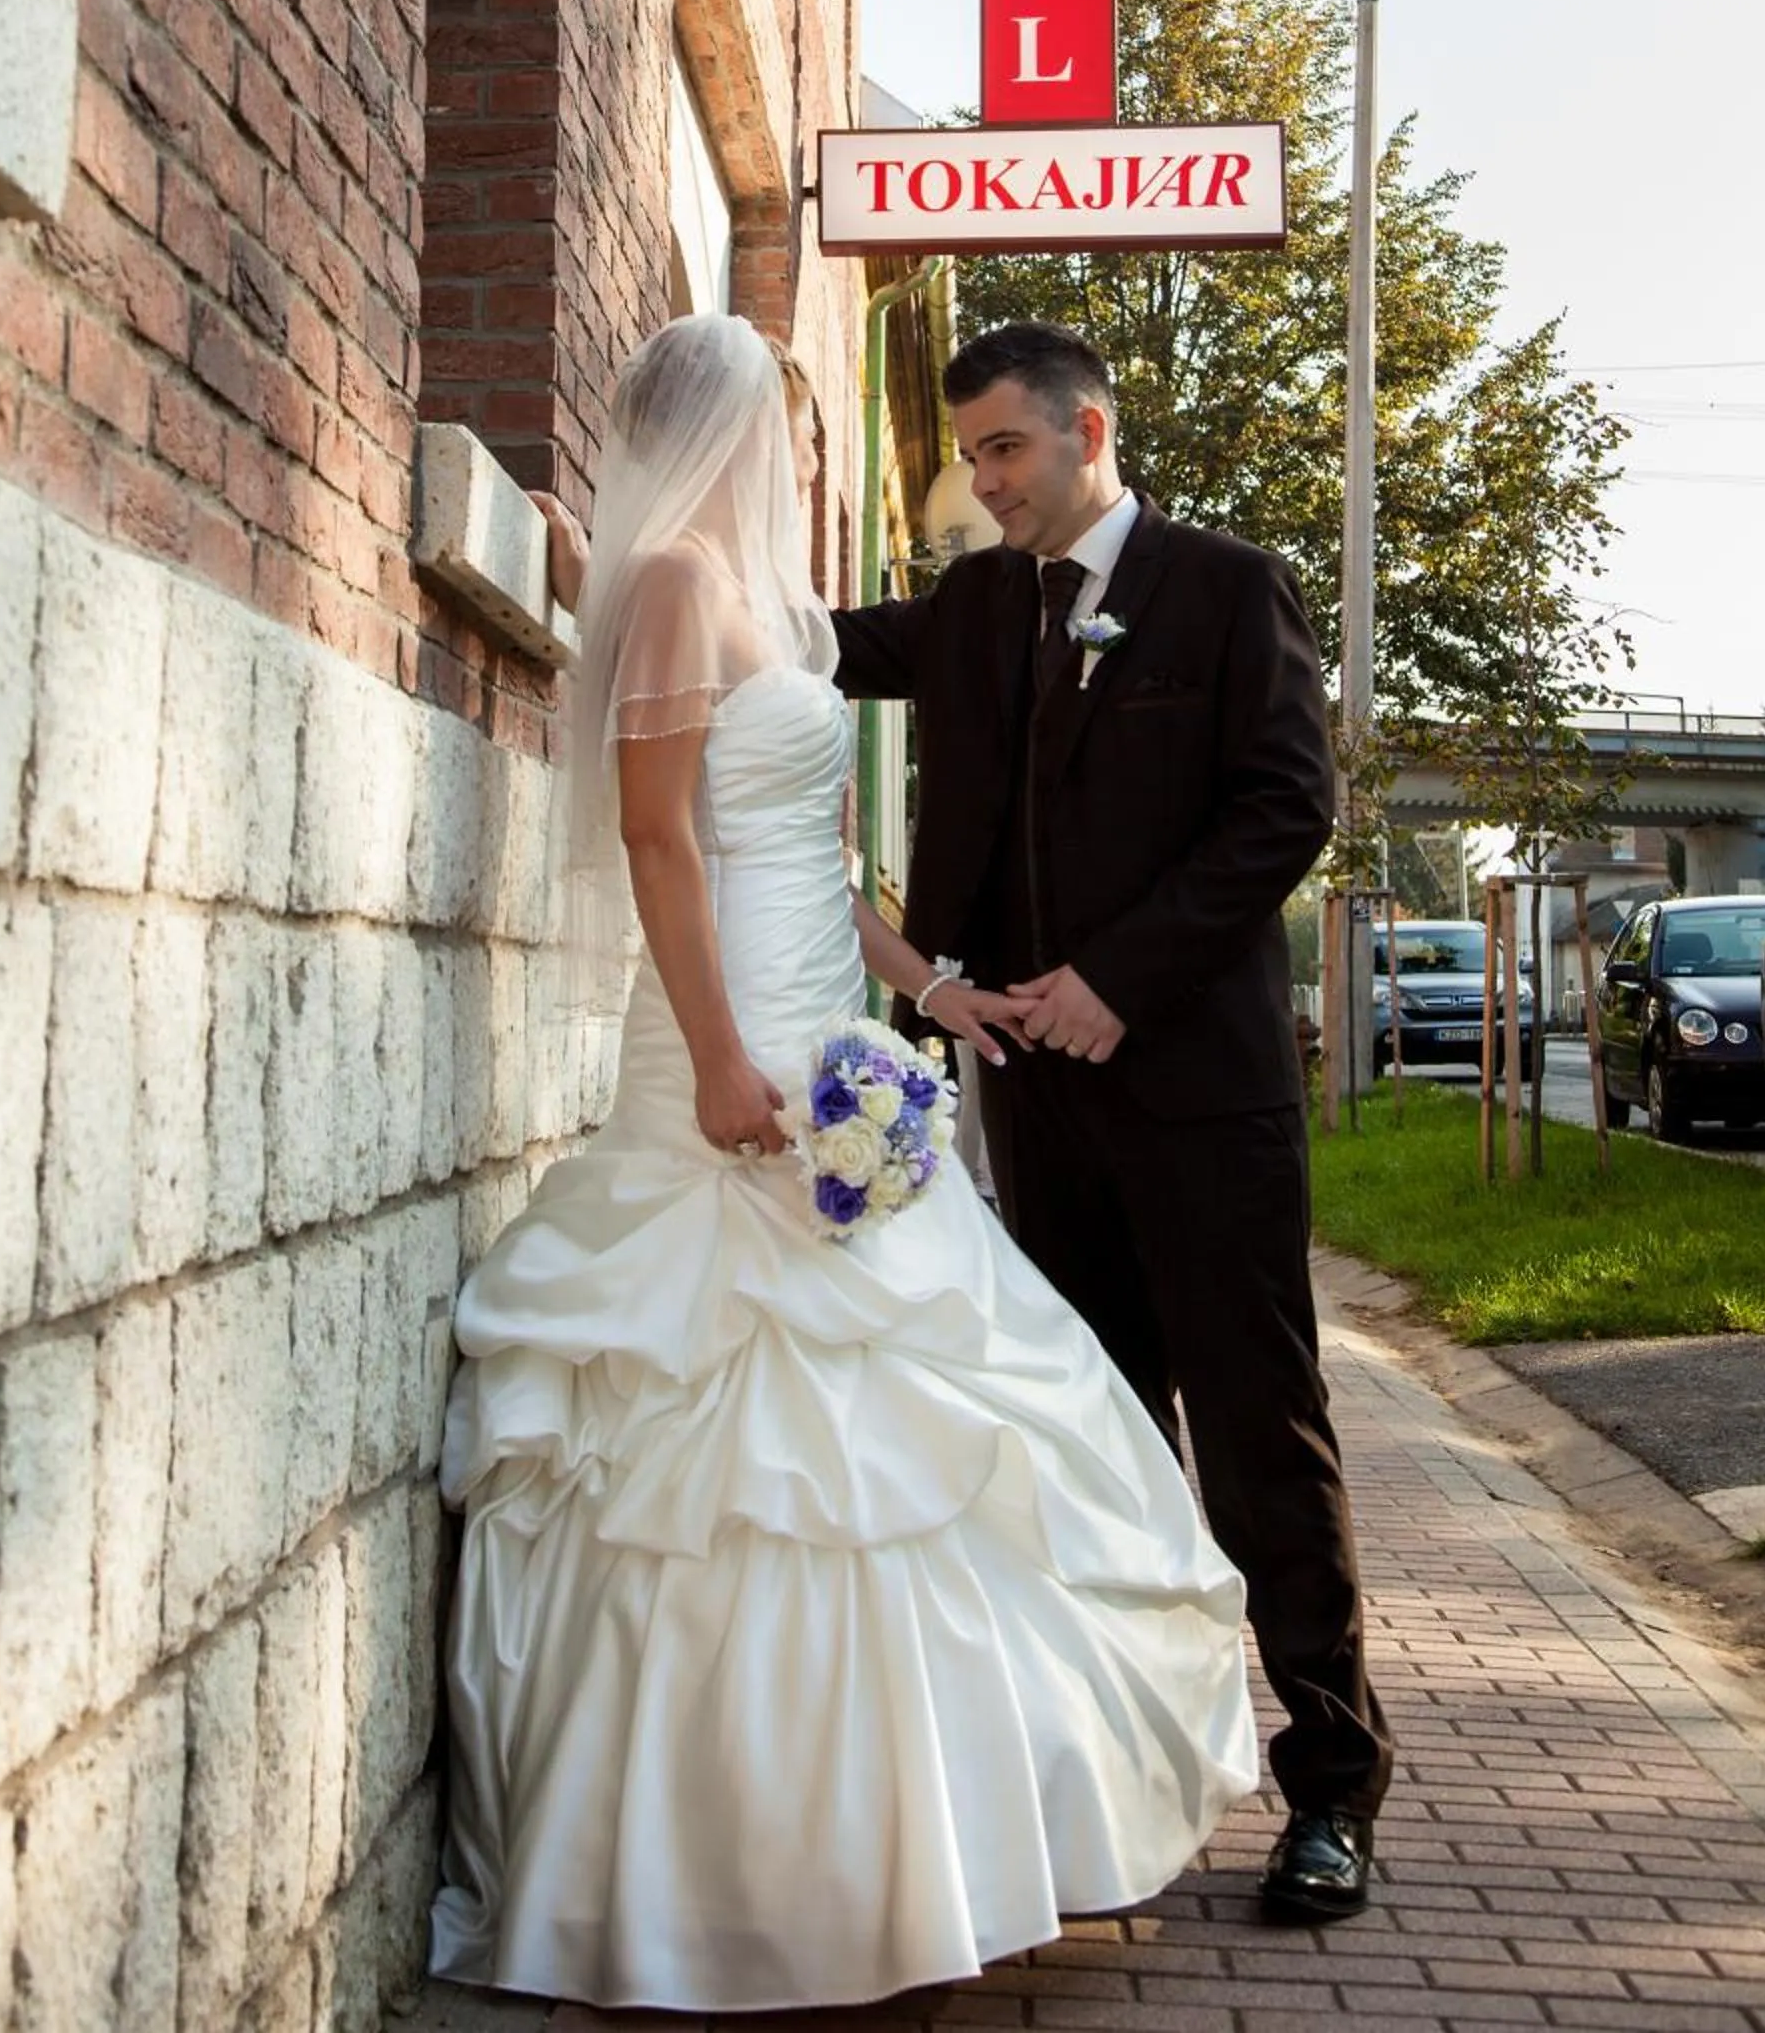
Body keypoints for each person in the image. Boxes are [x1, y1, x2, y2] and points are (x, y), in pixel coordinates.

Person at [433, 314, 1256, 2012]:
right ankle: (720, 1887)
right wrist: (725, 1055)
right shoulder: (666, 580)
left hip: (833, 1040)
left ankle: (943, 1854)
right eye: (789, 436)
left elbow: (816, 854)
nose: (804, 461)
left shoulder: (776, 618)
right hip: (726, 1055)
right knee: (745, 1450)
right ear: (725, 433)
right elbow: (660, 837)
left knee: (934, 1415)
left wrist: (931, 989)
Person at [830, 321, 1389, 1924]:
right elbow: (816, 644)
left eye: (1003, 451)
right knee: (1089, 1432)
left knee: (1257, 1436)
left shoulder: (1227, 589)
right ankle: (1122, 1771)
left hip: (1201, 1098)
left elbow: (1285, 805)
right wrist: (656, 563)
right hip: (1037, 1101)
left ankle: (1335, 1787)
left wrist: (1118, 979)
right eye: (971, 458)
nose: (982, 485)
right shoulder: (980, 606)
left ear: (1086, 430)